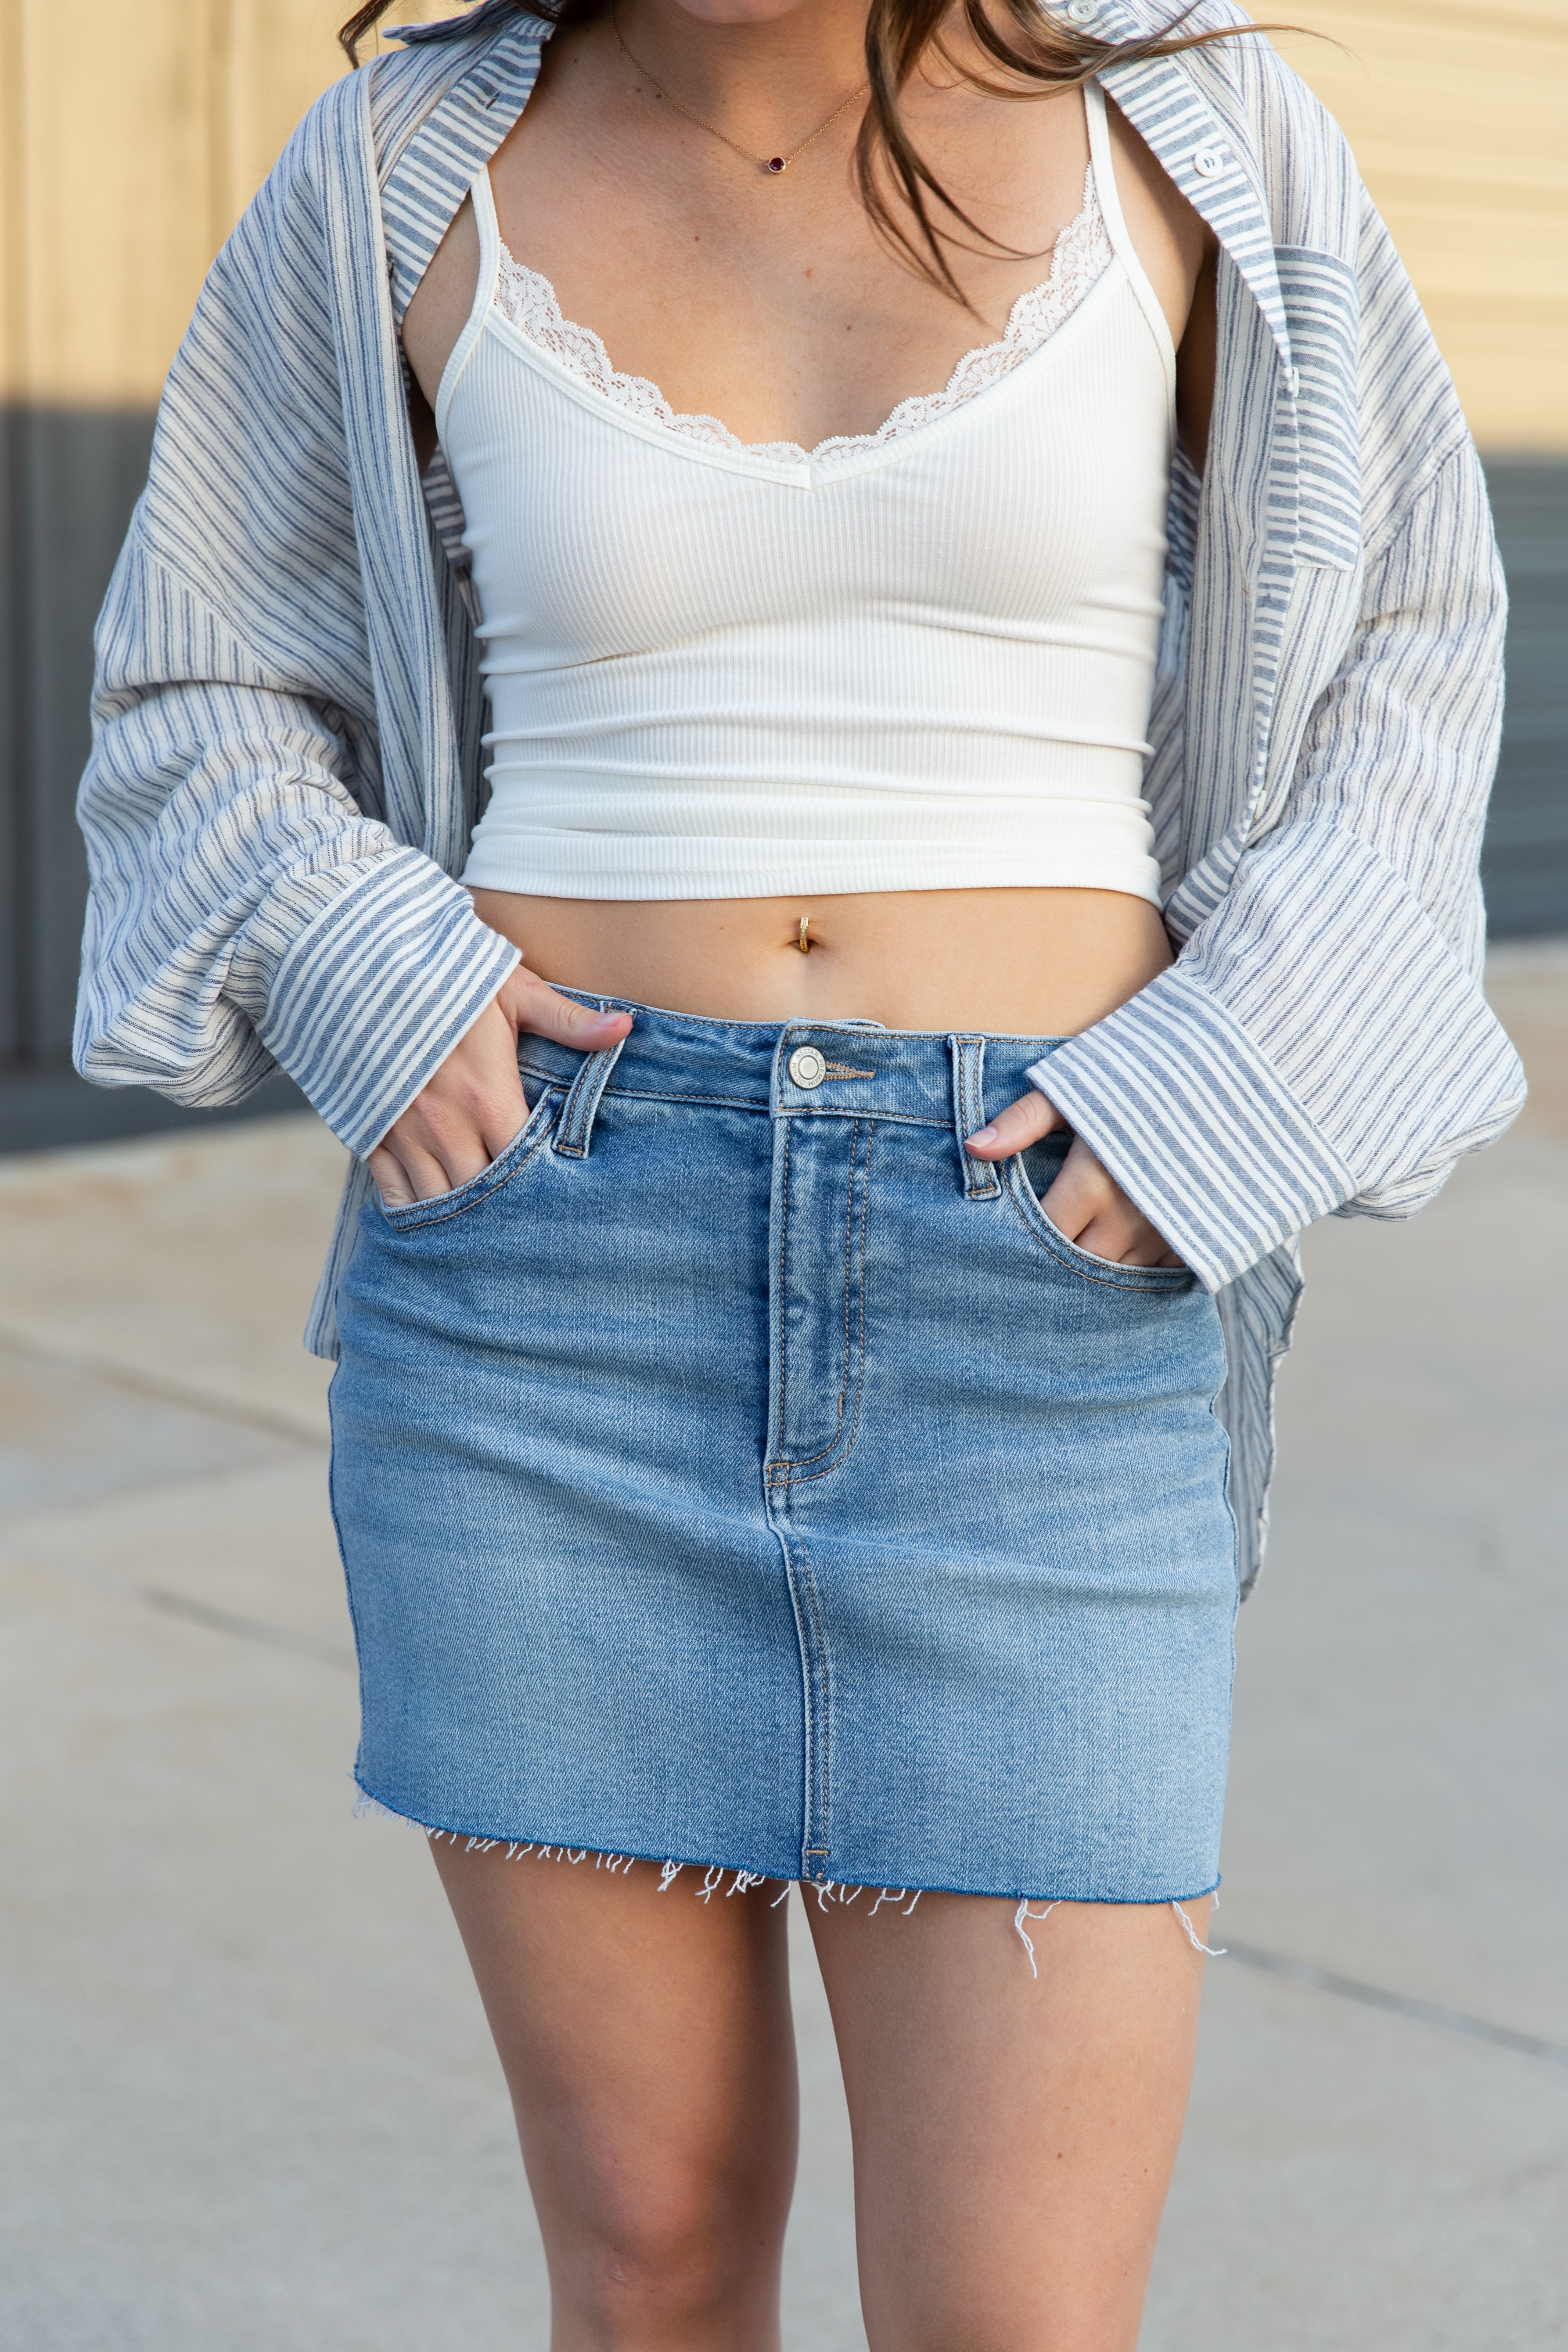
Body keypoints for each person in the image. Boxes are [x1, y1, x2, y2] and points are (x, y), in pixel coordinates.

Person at [74, 0, 1524, 2342]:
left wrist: (1216, 1109)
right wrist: (371, 970)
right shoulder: (390, 170)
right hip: (547, 1291)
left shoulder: (1192, 123)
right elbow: (205, 680)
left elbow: (1404, 664)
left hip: (1045, 1280)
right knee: (645, 2270)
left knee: (1011, 2317)